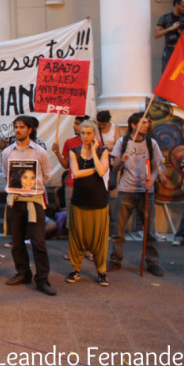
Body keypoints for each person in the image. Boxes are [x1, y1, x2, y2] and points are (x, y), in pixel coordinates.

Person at [2, 115, 56, 296]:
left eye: (22, 127)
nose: (17, 130)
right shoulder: (8, 152)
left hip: (34, 203)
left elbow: (46, 177)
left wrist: (33, 187)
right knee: (17, 242)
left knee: (38, 242)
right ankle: (22, 273)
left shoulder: (40, 152)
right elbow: (6, 175)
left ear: (30, 130)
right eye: (16, 127)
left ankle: (42, 280)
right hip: (15, 202)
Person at [108, 112, 167, 276]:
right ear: (133, 125)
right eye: (143, 123)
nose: (146, 126)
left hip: (146, 191)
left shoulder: (151, 143)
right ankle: (116, 259)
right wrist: (121, 161)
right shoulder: (123, 142)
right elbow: (114, 168)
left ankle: (152, 262)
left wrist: (152, 180)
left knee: (149, 230)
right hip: (126, 190)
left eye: (147, 122)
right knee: (118, 230)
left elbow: (156, 166)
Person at [65, 120, 111, 287]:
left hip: (98, 201)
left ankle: (101, 271)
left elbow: (102, 171)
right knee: (77, 237)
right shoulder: (74, 152)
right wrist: (93, 170)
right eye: (83, 133)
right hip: (79, 201)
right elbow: (75, 173)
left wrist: (94, 152)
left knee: (99, 239)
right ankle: (75, 269)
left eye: (89, 133)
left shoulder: (102, 151)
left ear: (95, 135)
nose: (85, 136)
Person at [154, 0, 184, 74]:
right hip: (170, 49)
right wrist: (170, 28)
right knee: (167, 73)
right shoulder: (165, 17)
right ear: (176, 4)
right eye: (183, 6)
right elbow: (156, 35)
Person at [52, 115, 87, 205]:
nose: (74, 126)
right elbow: (66, 165)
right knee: (70, 215)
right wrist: (57, 153)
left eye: (77, 124)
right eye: (74, 123)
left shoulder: (96, 143)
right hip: (71, 184)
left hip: (88, 185)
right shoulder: (69, 142)